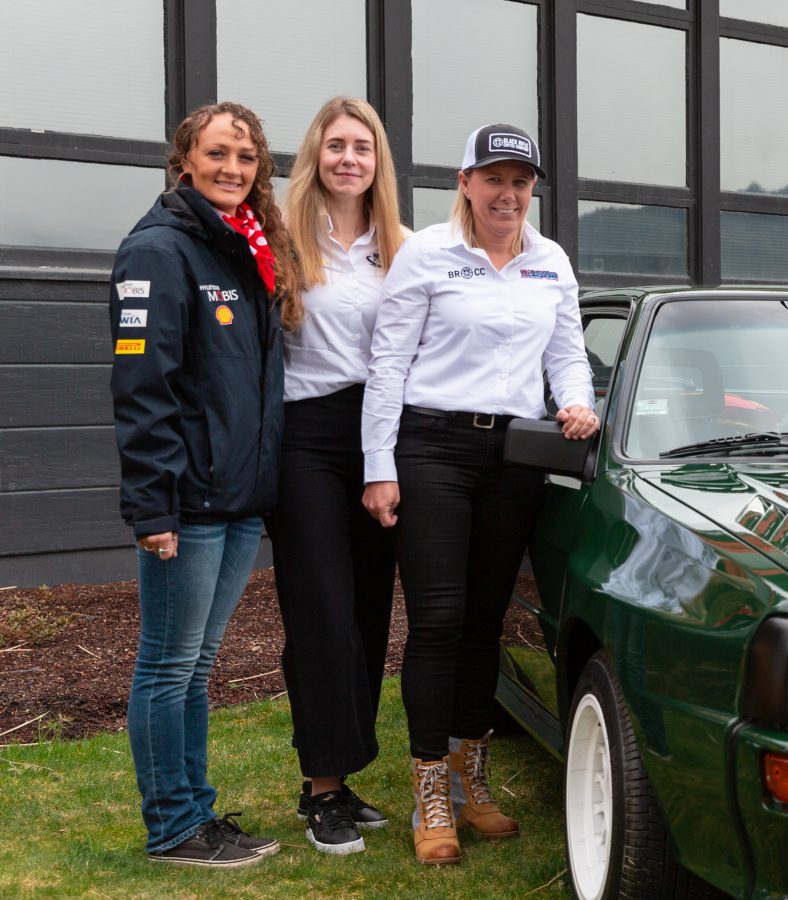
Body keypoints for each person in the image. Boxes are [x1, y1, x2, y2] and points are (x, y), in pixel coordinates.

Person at [360, 122, 598, 866]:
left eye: (520, 182)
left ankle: (472, 779)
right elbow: (389, 363)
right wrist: (378, 465)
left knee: (485, 623)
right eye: (493, 179)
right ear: (464, 183)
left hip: (516, 458)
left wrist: (578, 402)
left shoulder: (549, 261)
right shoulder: (428, 254)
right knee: (438, 619)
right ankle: (430, 787)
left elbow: (567, 353)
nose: (508, 194)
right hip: (432, 448)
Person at [110, 101, 293, 868]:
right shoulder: (159, 250)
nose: (232, 168)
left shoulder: (241, 247)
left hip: (238, 501)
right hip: (187, 504)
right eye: (217, 154)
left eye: (246, 157)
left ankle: (196, 814)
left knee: (195, 667)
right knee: (167, 665)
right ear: (184, 160)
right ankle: (173, 827)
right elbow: (141, 389)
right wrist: (152, 505)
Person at [271, 97, 408, 856]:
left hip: (380, 439)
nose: (349, 158)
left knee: (365, 612)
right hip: (307, 439)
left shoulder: (403, 248)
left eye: (362, 146)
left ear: (377, 160)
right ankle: (321, 786)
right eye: (336, 145)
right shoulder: (284, 241)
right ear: (315, 156)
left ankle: (339, 775)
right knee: (320, 609)